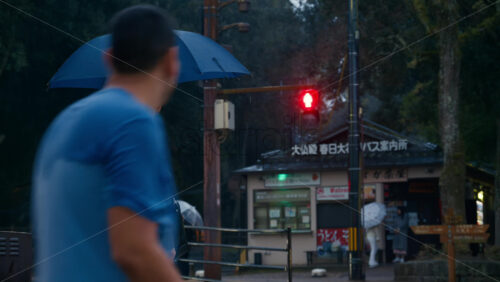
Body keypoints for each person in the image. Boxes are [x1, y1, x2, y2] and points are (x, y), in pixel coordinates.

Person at [32, 5, 182, 282]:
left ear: (109, 59)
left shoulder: (63, 123)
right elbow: (134, 251)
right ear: (172, 61)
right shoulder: (133, 121)